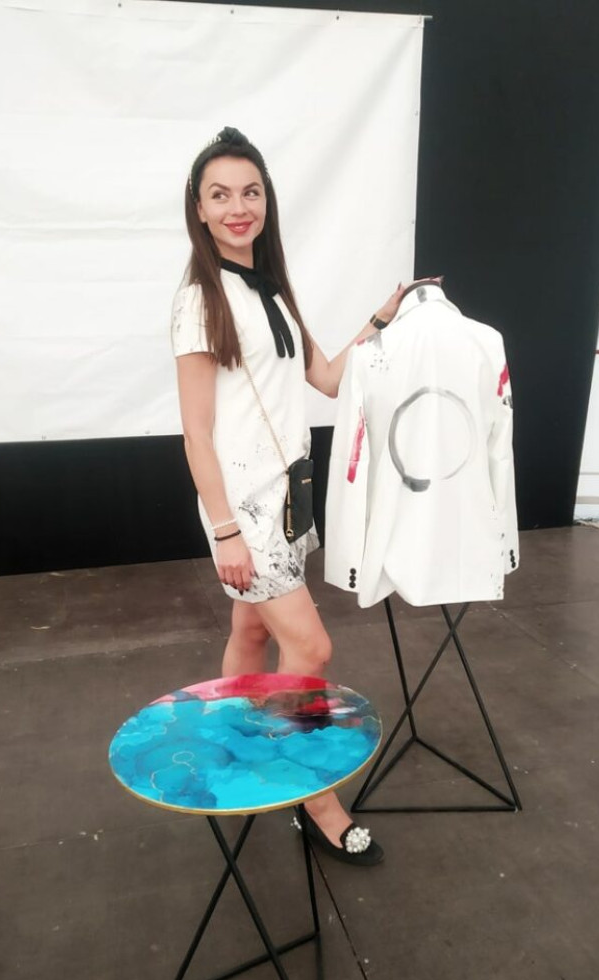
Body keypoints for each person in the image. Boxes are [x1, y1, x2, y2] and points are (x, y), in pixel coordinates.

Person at [171, 126, 403, 864]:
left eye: (250, 192)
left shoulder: (271, 287)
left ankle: (235, 741)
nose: (237, 207)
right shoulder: (199, 300)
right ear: (199, 209)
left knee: (251, 634)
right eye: (220, 195)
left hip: (288, 494)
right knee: (310, 645)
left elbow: (327, 379)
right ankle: (312, 796)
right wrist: (226, 531)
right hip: (245, 507)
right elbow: (196, 433)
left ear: (266, 201)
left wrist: (378, 322)